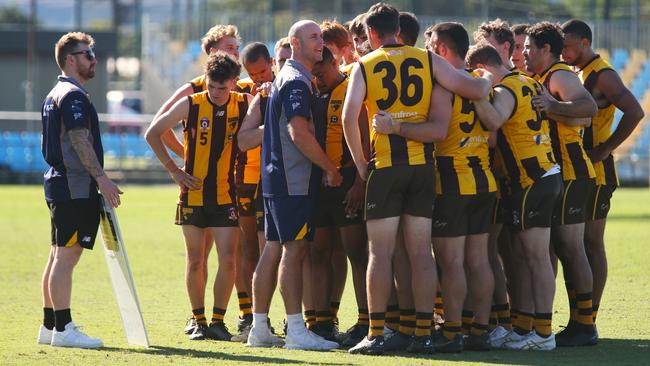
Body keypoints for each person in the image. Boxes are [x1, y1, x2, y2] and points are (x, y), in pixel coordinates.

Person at [344, 3, 491, 355]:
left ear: (371, 34)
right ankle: (423, 333)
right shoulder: (428, 60)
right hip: (423, 168)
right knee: (420, 252)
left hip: (387, 167)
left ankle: (377, 333)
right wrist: (486, 78)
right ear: (397, 27)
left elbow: (350, 118)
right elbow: (474, 90)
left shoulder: (364, 65)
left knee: (379, 253)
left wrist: (362, 165)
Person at [247, 20, 341, 351]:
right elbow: (298, 133)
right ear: (295, 43)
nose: (321, 42)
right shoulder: (297, 81)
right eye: (313, 37)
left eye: (321, 36)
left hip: (279, 177)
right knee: (294, 248)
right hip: (293, 179)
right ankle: (296, 329)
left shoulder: (289, 78)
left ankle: (259, 327)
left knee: (273, 248)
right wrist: (329, 168)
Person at [145, 52, 250, 341]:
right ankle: (198, 320)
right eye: (212, 87)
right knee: (195, 261)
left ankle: (218, 320)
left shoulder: (244, 103)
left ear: (234, 83)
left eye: (223, 87)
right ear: (206, 83)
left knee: (228, 260)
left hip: (225, 195)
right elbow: (153, 132)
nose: (216, 93)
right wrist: (174, 171)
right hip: (192, 196)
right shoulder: (191, 104)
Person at [467, 41, 563, 350]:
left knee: (535, 257)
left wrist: (475, 91)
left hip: (532, 178)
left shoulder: (505, 89)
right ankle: (525, 328)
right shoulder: (527, 80)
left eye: (476, 73)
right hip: (541, 174)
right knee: (526, 256)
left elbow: (494, 121)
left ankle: (544, 334)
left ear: (483, 67)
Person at [561, 19, 644, 345]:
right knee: (573, 244)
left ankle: (588, 319)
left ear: (584, 42)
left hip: (596, 170)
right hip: (577, 168)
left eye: (567, 45)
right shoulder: (576, 73)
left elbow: (635, 111)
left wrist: (607, 147)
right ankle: (580, 318)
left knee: (590, 243)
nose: (563, 51)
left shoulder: (602, 74)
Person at [39, 31, 122, 349]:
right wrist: (101, 178)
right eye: (88, 54)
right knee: (66, 258)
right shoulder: (72, 95)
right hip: (74, 186)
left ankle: (50, 326)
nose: (94, 59)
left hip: (60, 183)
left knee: (57, 256)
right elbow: (78, 139)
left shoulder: (57, 92)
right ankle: (63, 329)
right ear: (71, 60)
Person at [426, 22, 497, 353]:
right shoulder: (483, 84)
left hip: (452, 182)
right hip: (484, 179)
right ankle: (480, 331)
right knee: (479, 260)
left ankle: (452, 332)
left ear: (441, 48)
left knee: (452, 262)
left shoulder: (444, 86)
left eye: (429, 45)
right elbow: (494, 134)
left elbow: (437, 132)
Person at [308, 46, 369, 346]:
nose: (317, 79)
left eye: (321, 73)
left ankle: (365, 320)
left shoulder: (351, 89)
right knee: (318, 252)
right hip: (319, 186)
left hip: (346, 182)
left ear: (334, 63)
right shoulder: (312, 92)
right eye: (314, 74)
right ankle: (321, 321)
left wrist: (360, 182)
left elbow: (364, 140)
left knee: (356, 252)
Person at [231, 42, 275, 338]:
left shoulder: (283, 86)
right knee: (246, 248)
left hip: (270, 180)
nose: (258, 78)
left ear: (271, 62)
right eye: (253, 73)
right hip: (243, 179)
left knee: (267, 250)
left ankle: (271, 316)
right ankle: (248, 315)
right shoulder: (245, 91)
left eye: (262, 71)